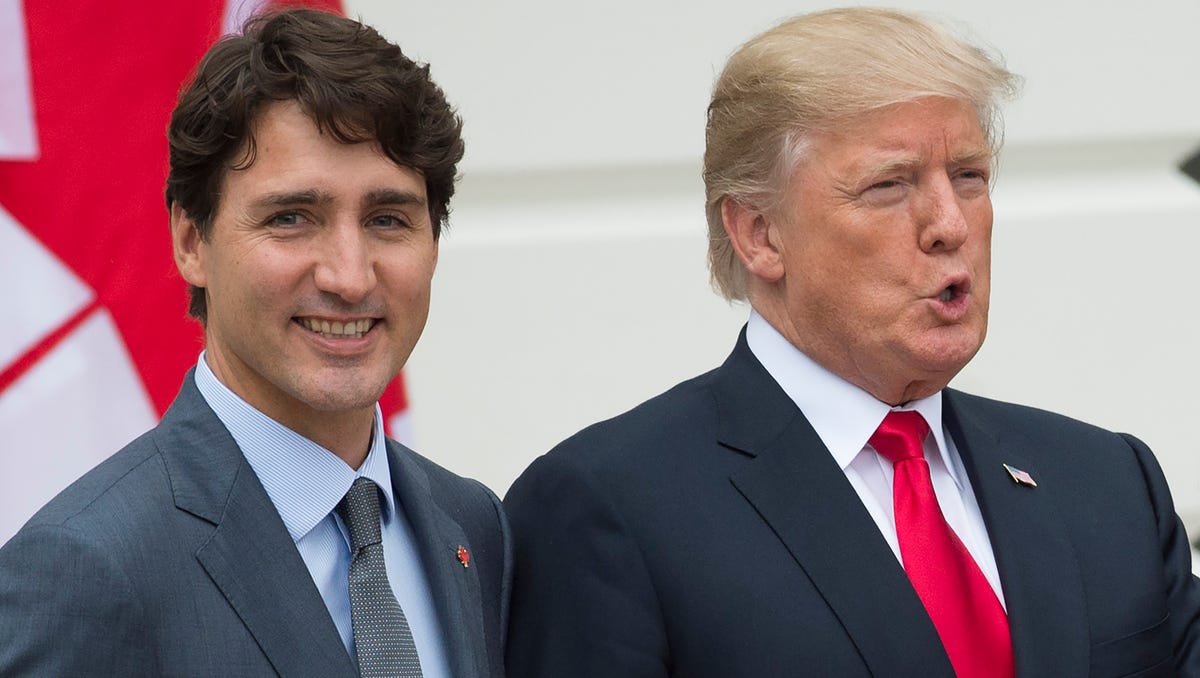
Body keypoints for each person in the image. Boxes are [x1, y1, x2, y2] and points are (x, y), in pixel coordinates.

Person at [504, 8, 1200, 677]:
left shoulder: (1108, 481)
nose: (949, 224)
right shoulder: (609, 509)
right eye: (889, 185)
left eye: (969, 177)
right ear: (760, 234)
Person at [0, 9, 509, 677]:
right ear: (190, 241)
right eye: (292, 218)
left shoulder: (471, 525)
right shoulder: (87, 570)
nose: (350, 278)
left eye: (388, 219)